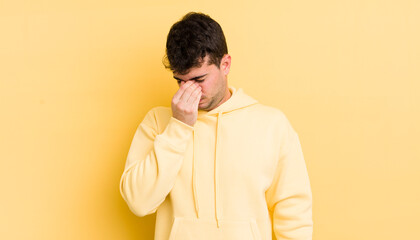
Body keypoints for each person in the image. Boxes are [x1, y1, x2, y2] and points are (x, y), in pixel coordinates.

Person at [119, 12, 313, 240]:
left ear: (225, 64)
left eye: (199, 80)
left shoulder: (272, 125)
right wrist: (179, 127)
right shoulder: (158, 123)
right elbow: (139, 203)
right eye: (180, 81)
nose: (188, 90)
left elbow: (294, 212)